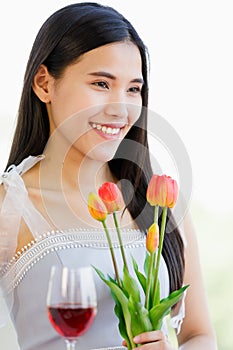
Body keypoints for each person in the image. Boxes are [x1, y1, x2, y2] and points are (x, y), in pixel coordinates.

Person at [0, 2, 217, 350]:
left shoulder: (156, 192)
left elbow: (200, 336)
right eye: (101, 83)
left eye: (133, 89)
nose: (121, 108)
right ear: (44, 84)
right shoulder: (11, 206)